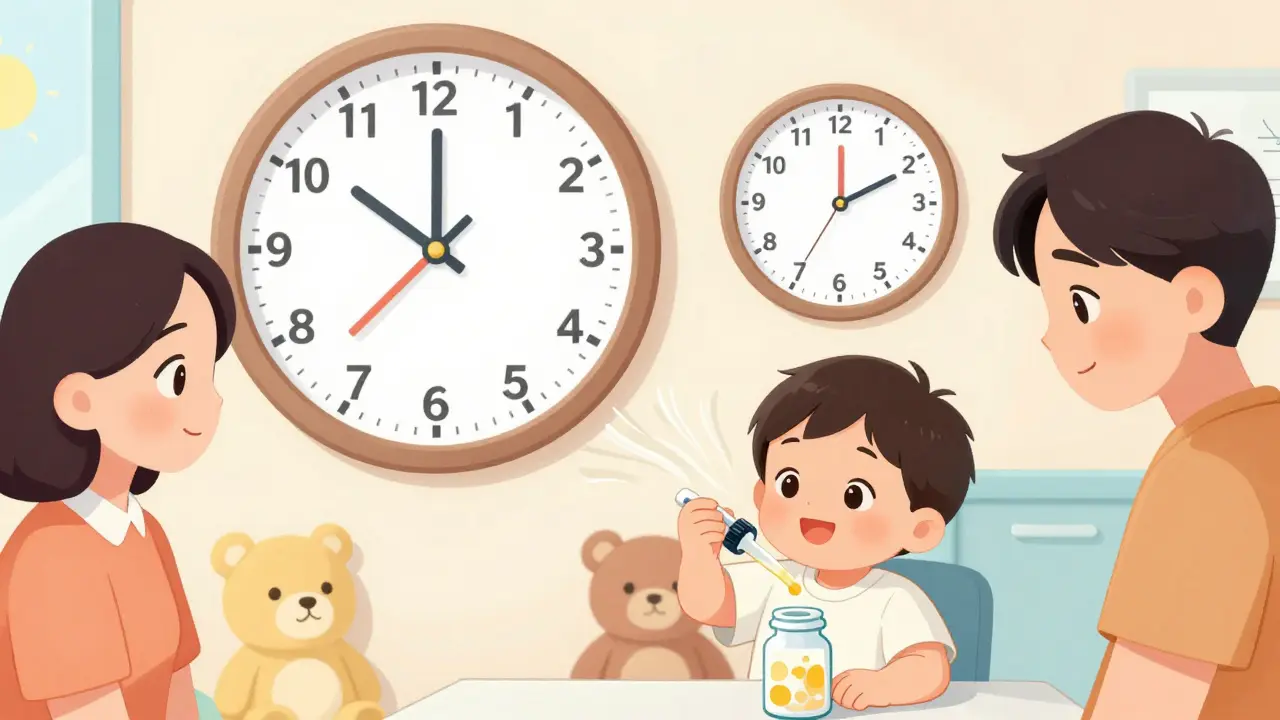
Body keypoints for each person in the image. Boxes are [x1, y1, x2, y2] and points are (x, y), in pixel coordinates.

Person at [993, 110, 1279, 719]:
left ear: (1195, 299)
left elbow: (1147, 707)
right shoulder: (1264, 436)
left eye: (1080, 301)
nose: (1052, 337)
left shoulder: (1207, 474)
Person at [0, 223, 238, 719]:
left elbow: (177, 687)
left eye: (206, 372)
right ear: (79, 400)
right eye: (177, 376)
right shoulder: (52, 556)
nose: (209, 401)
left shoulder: (145, 530)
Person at [676, 355, 976, 711]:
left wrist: (884, 685)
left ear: (920, 529)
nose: (814, 507)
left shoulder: (895, 598)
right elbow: (710, 607)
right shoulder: (778, 575)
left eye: (854, 495)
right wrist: (699, 555)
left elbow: (929, 669)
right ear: (762, 495)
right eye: (790, 484)